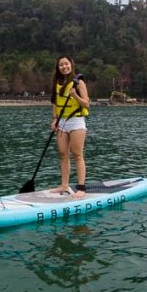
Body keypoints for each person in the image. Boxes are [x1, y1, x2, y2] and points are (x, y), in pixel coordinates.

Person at [50, 55, 90, 197]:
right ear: (58, 67)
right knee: (62, 154)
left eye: (66, 64)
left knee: (77, 154)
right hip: (62, 122)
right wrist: (54, 120)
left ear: (71, 65)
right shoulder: (57, 82)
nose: (64, 67)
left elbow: (86, 103)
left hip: (76, 121)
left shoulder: (79, 83)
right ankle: (64, 185)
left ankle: (81, 188)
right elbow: (55, 103)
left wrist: (75, 96)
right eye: (61, 65)